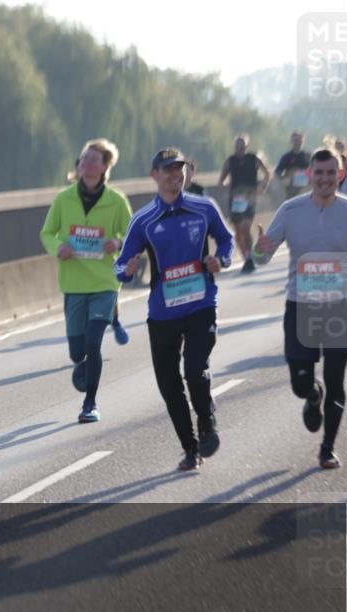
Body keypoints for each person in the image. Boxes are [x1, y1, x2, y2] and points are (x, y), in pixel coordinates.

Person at [116, 148, 234, 471]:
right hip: (163, 312)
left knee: (195, 370)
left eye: (179, 168)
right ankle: (190, 449)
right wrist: (126, 269)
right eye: (168, 169)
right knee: (169, 385)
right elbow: (119, 267)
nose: (175, 175)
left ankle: (207, 421)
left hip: (200, 304)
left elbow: (226, 241)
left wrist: (219, 260)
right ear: (154, 175)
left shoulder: (203, 208)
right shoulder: (143, 220)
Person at [253, 147, 347, 469]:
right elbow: (262, 257)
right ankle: (311, 395)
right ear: (310, 175)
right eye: (319, 173)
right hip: (300, 307)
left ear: (339, 175)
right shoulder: (290, 210)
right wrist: (260, 251)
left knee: (336, 379)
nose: (325, 179)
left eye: (331, 173)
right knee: (300, 383)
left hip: (339, 309)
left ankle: (327, 447)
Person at [40, 138, 132, 423]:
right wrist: (59, 248)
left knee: (93, 343)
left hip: (105, 282)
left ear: (105, 166)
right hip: (74, 284)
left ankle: (90, 403)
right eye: (83, 159)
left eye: (94, 159)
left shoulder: (116, 201)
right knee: (77, 351)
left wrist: (117, 243)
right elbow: (47, 233)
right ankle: (86, 365)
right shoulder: (63, 199)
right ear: (78, 167)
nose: (87, 163)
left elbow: (132, 235)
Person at [218, 133, 271, 274]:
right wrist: (226, 185)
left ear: (246, 147)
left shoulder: (253, 159)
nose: (240, 149)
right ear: (234, 147)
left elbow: (267, 173)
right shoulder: (230, 161)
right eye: (237, 146)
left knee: (245, 227)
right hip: (235, 200)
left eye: (242, 146)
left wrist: (262, 187)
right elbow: (221, 180)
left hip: (249, 198)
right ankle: (245, 258)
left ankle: (249, 258)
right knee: (238, 231)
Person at [274, 131, 312, 200]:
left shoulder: (308, 156)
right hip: (291, 190)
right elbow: (277, 172)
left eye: (300, 140)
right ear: (291, 141)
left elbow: (315, 170)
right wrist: (284, 178)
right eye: (295, 140)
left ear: (303, 141)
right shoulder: (286, 157)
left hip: (306, 189)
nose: (298, 142)